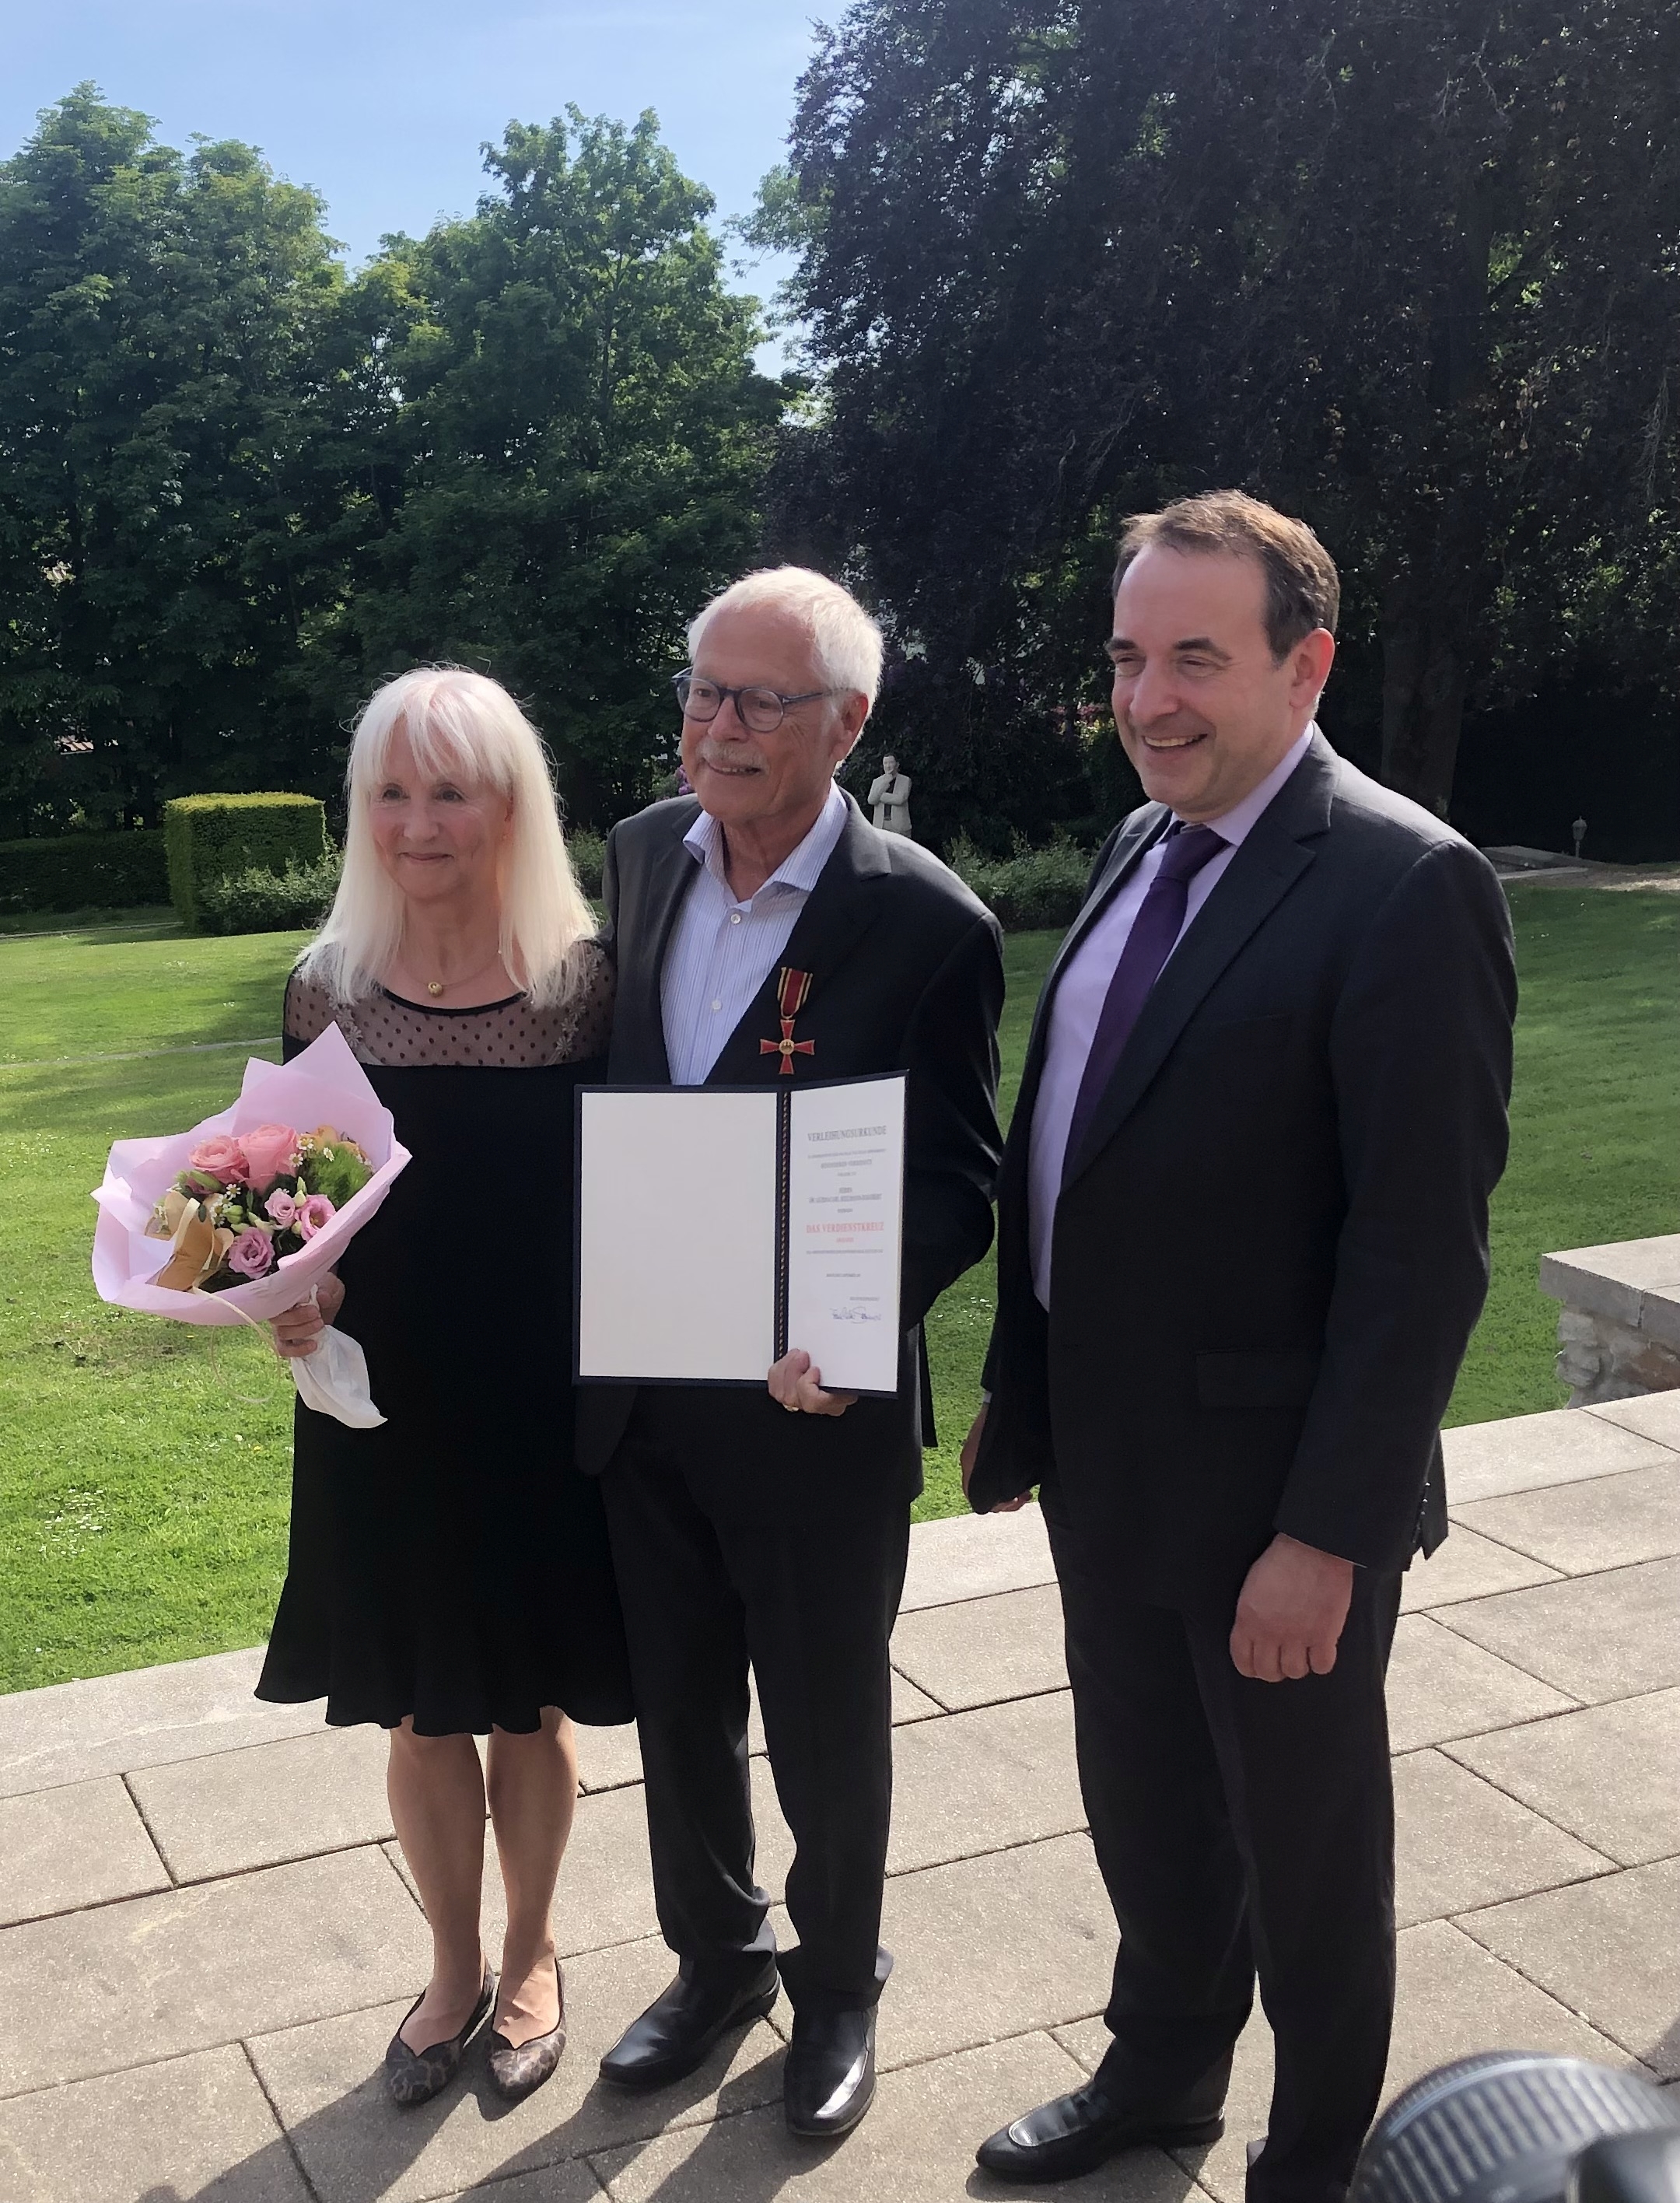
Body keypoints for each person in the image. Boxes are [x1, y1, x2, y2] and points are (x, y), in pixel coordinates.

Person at [961, 493, 1517, 2198]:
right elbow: (1088, 1139)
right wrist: (1022, 1392)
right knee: (1146, 1811)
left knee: (1308, 1858)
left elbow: (1419, 1257)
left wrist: (1327, 1536)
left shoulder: (1406, 884)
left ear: (1306, 664)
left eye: (1195, 658)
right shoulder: (1142, 843)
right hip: (1108, 1468)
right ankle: (1161, 2074)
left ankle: (1320, 2153)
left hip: (1278, 1505)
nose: (1149, 699)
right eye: (1129, 657)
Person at [576, 566, 1003, 2140]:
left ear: (848, 721)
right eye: (704, 690)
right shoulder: (640, 855)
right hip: (644, 1384)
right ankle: (716, 1959)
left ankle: (836, 1987)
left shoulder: (927, 921)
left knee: (827, 1725)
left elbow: (959, 1180)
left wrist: (848, 1315)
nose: (720, 726)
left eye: (762, 699)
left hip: (811, 1408)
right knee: (678, 1707)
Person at [262, 666, 634, 2110]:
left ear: (512, 807)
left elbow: (638, 1206)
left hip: (543, 1402)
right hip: (385, 1407)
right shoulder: (325, 990)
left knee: (528, 1706)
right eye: (392, 793)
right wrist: (290, 1296)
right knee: (419, 1710)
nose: (419, 824)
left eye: (452, 792)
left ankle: (534, 1959)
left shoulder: (587, 988)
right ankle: (451, 1967)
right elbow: (305, 1217)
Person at [867, 752, 913, 835]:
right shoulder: (877, 781)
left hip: (899, 826)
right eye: (885, 763)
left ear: (897, 765)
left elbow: (900, 800)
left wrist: (880, 796)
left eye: (891, 762)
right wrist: (885, 783)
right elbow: (871, 800)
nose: (888, 766)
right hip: (880, 825)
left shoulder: (905, 780)